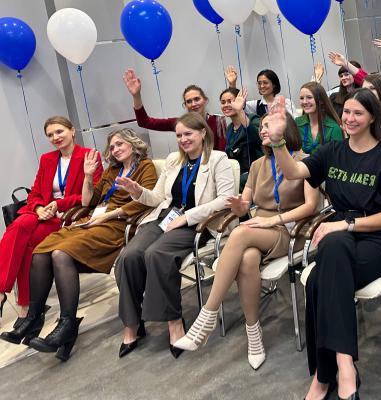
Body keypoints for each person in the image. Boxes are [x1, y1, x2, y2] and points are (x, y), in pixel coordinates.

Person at [261, 92, 381, 400]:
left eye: (358, 113)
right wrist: (277, 141)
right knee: (330, 254)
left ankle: (322, 376)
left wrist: (345, 224)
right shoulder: (332, 151)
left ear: (372, 117)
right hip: (340, 236)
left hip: (379, 239)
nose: (350, 118)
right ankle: (344, 365)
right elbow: (294, 172)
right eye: (347, 112)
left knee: (319, 277)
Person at [173, 113, 320, 368]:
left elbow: (310, 206)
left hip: (291, 230)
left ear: (286, 129)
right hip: (259, 228)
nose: (262, 130)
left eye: (268, 125)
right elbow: (245, 204)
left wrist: (272, 221)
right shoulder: (257, 165)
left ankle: (207, 315)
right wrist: (239, 207)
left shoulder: (305, 161)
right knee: (248, 259)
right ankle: (254, 334)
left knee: (240, 233)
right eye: (261, 126)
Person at [15, 129, 157, 360]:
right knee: (41, 251)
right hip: (92, 219)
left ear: (132, 144)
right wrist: (88, 176)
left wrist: (110, 215)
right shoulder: (112, 170)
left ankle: (67, 324)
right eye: (112, 147)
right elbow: (88, 200)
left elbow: (146, 201)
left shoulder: (145, 167)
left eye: (120, 144)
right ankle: (34, 317)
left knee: (60, 254)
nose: (115, 150)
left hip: (116, 223)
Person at [114, 112, 235, 357]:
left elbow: (225, 200)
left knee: (156, 254)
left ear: (203, 133)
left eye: (188, 134)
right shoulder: (173, 160)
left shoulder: (218, 159)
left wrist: (187, 217)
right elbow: (158, 198)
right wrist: (137, 191)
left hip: (196, 223)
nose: (183, 139)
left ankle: (174, 322)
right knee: (129, 256)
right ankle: (132, 324)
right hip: (165, 217)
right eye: (179, 135)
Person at [0, 117, 102, 337]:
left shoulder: (89, 156)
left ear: (72, 131)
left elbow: (93, 195)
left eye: (59, 131)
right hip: (44, 214)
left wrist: (58, 204)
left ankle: (27, 311)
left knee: (28, 244)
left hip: (68, 215)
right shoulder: (47, 159)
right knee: (18, 227)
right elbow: (35, 192)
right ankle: (7, 296)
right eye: (50, 135)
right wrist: (38, 208)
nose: (55, 137)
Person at [123, 68, 228, 151]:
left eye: (197, 99)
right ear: (185, 105)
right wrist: (136, 96)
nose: (193, 104)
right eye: (189, 101)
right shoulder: (180, 123)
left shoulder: (218, 121)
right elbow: (144, 122)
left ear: (205, 100)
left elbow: (223, 152)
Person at [220, 87, 262, 190]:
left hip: (256, 175)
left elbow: (258, 137)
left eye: (230, 101)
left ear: (241, 103)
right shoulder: (229, 128)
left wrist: (240, 111)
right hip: (236, 175)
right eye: (223, 102)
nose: (226, 105)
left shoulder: (253, 119)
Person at [296, 81, 344, 154]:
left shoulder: (334, 128)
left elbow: (338, 156)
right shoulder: (297, 122)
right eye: (301, 98)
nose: (304, 102)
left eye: (309, 97)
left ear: (321, 100)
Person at [227, 66, 296, 118]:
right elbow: (236, 104)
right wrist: (232, 84)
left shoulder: (286, 102)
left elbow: (293, 123)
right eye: (259, 83)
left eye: (265, 83)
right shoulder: (255, 105)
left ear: (274, 84)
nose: (262, 86)